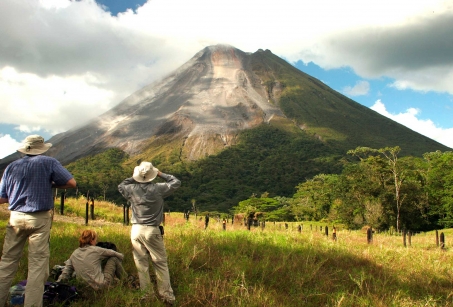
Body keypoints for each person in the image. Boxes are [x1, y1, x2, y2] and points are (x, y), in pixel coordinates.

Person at [0, 135, 76, 307]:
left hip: (15, 218)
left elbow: (2, 198)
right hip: (39, 218)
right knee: (37, 265)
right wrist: (51, 184)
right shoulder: (49, 163)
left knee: (7, 262)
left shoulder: (11, 167)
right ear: (42, 148)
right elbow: (71, 183)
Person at [118, 161, 180, 306]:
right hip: (152, 229)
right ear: (153, 175)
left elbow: (121, 186)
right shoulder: (159, 188)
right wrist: (160, 173)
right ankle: (167, 296)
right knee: (160, 263)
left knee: (141, 263)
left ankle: (146, 295)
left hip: (136, 229)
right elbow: (176, 182)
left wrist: (135, 177)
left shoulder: (131, 189)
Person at [57, 229, 126, 290]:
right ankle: (127, 281)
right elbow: (116, 254)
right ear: (91, 240)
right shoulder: (96, 250)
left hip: (83, 287)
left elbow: (66, 272)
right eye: (95, 240)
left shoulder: (74, 253)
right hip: (101, 286)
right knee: (114, 259)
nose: (96, 242)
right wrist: (120, 258)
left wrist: (57, 284)